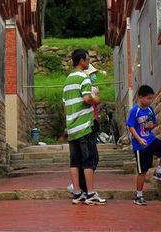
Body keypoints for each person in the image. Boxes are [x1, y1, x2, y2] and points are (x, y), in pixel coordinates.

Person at [63, 49, 106, 205]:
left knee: (74, 162)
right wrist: (96, 100)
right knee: (88, 160)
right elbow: (87, 99)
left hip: (72, 127)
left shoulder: (67, 80)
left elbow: (65, 105)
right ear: (81, 61)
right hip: (84, 126)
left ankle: (77, 193)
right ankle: (90, 193)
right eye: (87, 59)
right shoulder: (84, 78)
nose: (88, 62)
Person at [126, 84, 161, 205]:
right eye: (148, 98)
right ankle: (138, 196)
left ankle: (159, 171)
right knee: (143, 171)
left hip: (151, 140)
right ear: (140, 97)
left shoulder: (150, 110)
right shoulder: (135, 111)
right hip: (140, 145)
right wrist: (139, 139)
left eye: (151, 98)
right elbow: (131, 127)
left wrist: (151, 125)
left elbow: (153, 123)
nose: (150, 100)